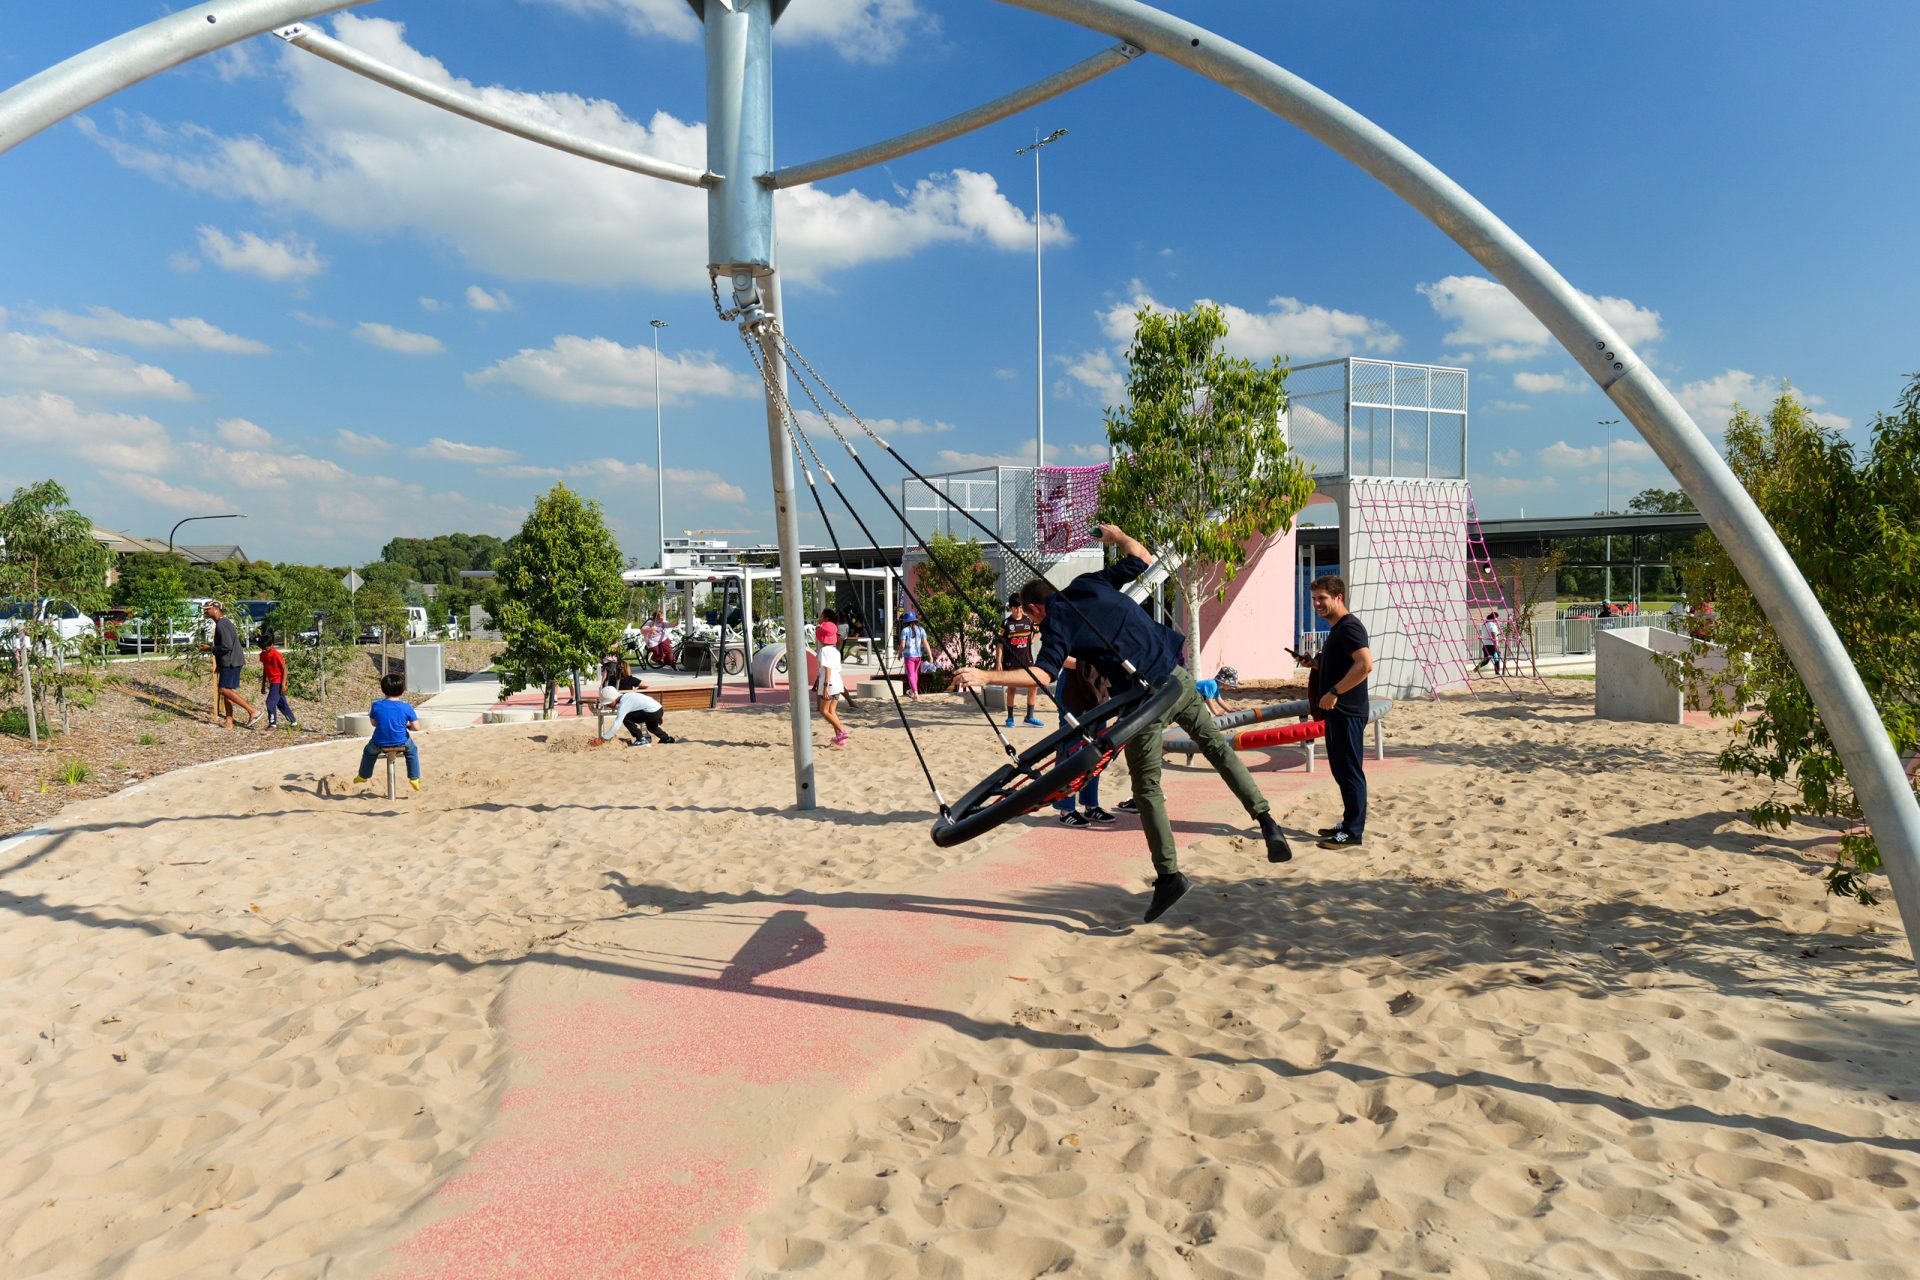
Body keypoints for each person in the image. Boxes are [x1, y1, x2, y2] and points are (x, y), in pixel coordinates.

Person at [957, 525, 1293, 923]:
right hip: (1177, 678)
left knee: (1148, 788)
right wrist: (1117, 537)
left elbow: (1044, 675)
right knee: (1218, 748)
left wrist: (984, 676)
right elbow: (1143, 560)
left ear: (1034, 610)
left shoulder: (1053, 622)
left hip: (1142, 704)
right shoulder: (1088, 582)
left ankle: (1169, 876)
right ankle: (1267, 821)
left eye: (1031, 617)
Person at [1297, 575, 1373, 850]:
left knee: (1350, 771)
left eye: (1322, 598)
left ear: (1338, 597)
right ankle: (1348, 822)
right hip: (1338, 712)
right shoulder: (1337, 629)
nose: (1317, 603)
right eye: (1314, 598)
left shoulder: (1349, 627)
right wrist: (1314, 664)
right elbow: (1341, 666)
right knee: (1342, 770)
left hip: (1347, 710)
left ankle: (1353, 832)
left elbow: (1364, 666)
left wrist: (1334, 693)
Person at [1050, 656, 1117, 827]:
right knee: (1071, 750)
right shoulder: (1064, 628)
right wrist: (1093, 663)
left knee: (1096, 751)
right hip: (1073, 688)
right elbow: (1060, 657)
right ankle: (1066, 809)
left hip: (1096, 686)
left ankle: (1091, 805)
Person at [353, 672, 424, 791]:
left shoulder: (376, 706)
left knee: (368, 752)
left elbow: (374, 724)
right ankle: (414, 778)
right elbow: (417, 727)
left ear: (383, 690)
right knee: (412, 751)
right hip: (401, 742)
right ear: (402, 690)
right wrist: (407, 726)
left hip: (379, 742)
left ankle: (363, 775)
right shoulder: (406, 707)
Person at [199, 601, 258, 729]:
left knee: (223, 690)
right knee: (227, 692)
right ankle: (229, 722)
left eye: (207, 609)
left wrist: (210, 648)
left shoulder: (222, 624)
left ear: (216, 609)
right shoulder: (223, 623)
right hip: (230, 661)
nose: (205, 611)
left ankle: (252, 711)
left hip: (231, 662)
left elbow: (226, 646)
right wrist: (219, 664)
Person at [1000, 594, 1043, 728]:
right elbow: (1000, 644)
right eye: (1015, 608)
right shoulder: (1006, 623)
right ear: (1010, 608)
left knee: (1034, 685)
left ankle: (1029, 716)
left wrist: (1032, 640)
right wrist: (998, 662)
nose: (1018, 610)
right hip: (1011, 661)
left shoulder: (1028, 621)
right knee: (1012, 688)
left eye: (1020, 607)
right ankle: (1010, 717)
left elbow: (1036, 631)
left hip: (1027, 660)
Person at [589, 681, 674, 747]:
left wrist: (603, 739)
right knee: (652, 728)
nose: (607, 705)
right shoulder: (628, 696)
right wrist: (658, 715)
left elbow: (616, 725)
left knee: (626, 718)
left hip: (651, 712)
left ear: (613, 699)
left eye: (608, 703)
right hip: (658, 709)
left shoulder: (624, 704)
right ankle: (667, 739)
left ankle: (641, 739)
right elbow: (648, 700)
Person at [815, 614, 850, 748]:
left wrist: (825, 686)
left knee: (823, 711)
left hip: (830, 683)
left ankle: (841, 731)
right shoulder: (835, 651)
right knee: (832, 711)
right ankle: (840, 739)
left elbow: (828, 669)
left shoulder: (824, 650)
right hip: (838, 683)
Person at [258, 628, 299, 731]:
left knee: (270, 703)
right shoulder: (263, 655)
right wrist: (263, 685)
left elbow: (285, 668)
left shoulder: (276, 654)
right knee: (281, 704)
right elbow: (265, 669)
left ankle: (273, 724)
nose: (264, 650)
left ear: (271, 645)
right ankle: (294, 722)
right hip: (272, 682)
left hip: (278, 681)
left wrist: (283, 684)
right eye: (262, 649)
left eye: (265, 648)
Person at [899, 610, 930, 702]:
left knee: (911, 675)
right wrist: (930, 655)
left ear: (905, 622)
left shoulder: (905, 631)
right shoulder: (921, 630)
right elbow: (925, 643)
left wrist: (899, 653)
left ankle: (915, 694)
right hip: (918, 656)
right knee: (915, 674)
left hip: (909, 656)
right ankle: (913, 692)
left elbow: (902, 645)